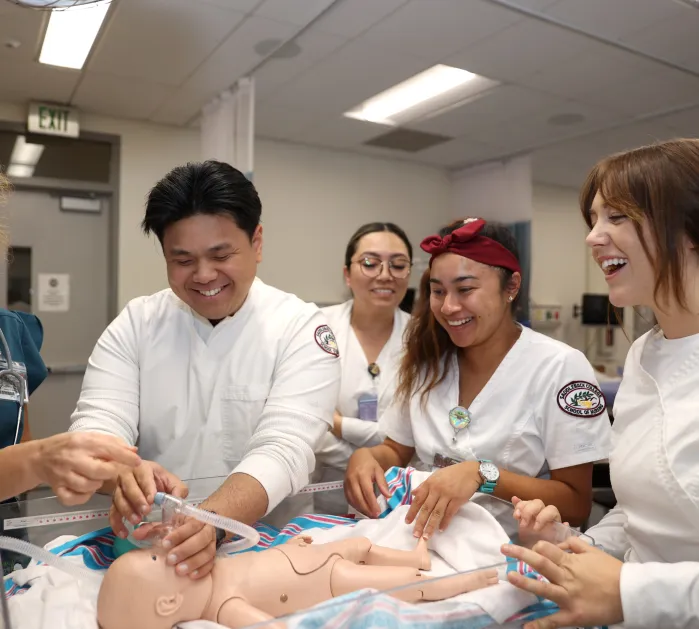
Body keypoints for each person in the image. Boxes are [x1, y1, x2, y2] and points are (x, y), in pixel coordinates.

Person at [68, 161, 341, 581]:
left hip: (269, 548)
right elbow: (96, 430)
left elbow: (284, 449)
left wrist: (212, 522)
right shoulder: (136, 325)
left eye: (221, 255)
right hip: (154, 548)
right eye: (182, 259)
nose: (204, 275)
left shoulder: (302, 329)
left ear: (257, 242)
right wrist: (124, 472)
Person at [503, 138, 699, 629]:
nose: (593, 237)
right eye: (593, 219)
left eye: (616, 217)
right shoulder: (643, 355)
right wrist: (572, 550)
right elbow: (640, 519)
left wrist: (634, 592)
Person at [344, 218, 611, 539]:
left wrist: (483, 475)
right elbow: (395, 449)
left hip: (514, 552)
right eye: (438, 291)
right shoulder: (427, 360)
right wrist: (366, 457)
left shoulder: (559, 367)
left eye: (465, 289)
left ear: (511, 286)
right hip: (424, 544)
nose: (449, 306)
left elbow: (576, 503)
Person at [0, 172, 141, 572]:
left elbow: (15, 452)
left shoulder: (8, 336)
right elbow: (32, 459)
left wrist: (121, 476)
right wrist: (42, 459)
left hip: (10, 552)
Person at [313, 222, 413, 514]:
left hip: (399, 501)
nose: (385, 275)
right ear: (347, 273)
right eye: (370, 263)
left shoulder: (426, 340)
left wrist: (339, 424)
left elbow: (417, 437)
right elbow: (308, 428)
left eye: (398, 265)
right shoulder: (316, 328)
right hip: (323, 497)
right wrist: (368, 460)